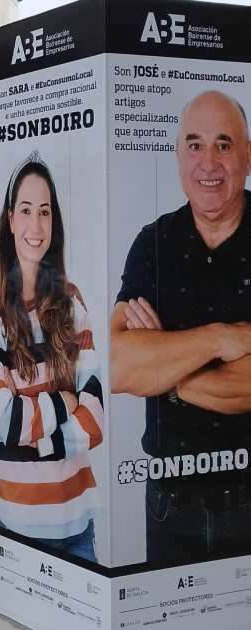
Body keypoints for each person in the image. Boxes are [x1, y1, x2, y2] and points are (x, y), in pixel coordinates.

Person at [111, 90, 251, 563]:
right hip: (170, 503)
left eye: (224, 144)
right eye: (194, 144)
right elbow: (117, 366)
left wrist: (164, 368)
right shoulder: (152, 244)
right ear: (178, 156)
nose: (207, 162)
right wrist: (222, 338)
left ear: (248, 156)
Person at [0, 151, 104, 562]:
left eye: (45, 211)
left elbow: (96, 421)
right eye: (26, 211)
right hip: (17, 525)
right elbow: (2, 420)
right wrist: (64, 401)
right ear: (10, 220)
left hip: (78, 526)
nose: (36, 226)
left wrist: (35, 444)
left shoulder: (72, 305)